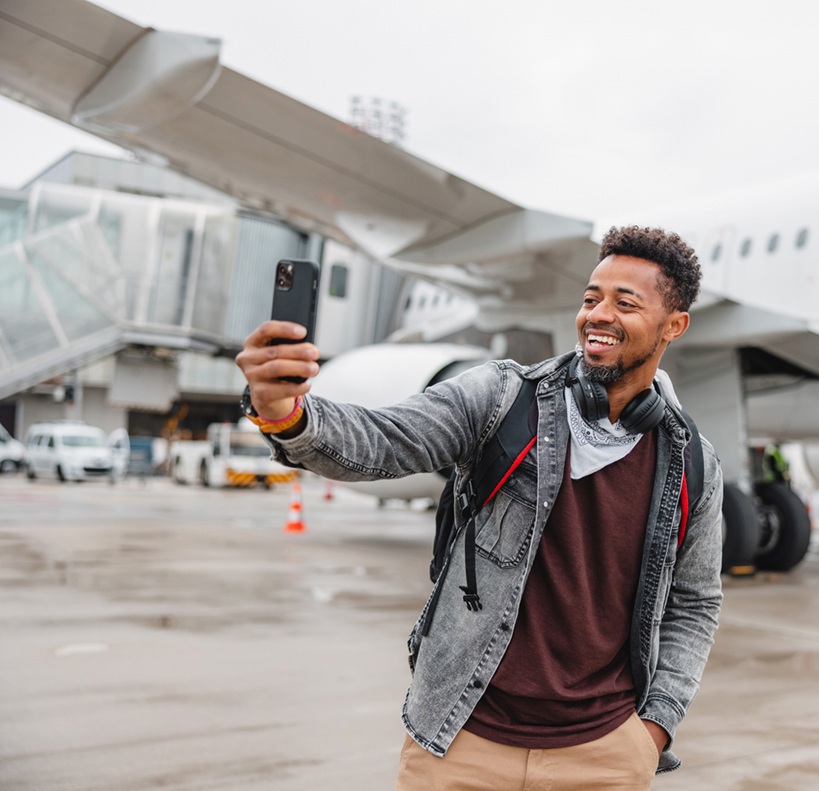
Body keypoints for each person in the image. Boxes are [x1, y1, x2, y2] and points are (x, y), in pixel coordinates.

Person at [236, 225, 723, 789]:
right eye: (591, 298)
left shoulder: (693, 464)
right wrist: (287, 413)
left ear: (674, 326)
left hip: (604, 754)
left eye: (625, 302)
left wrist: (654, 727)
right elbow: (384, 440)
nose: (598, 314)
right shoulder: (501, 398)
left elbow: (695, 604)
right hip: (464, 741)